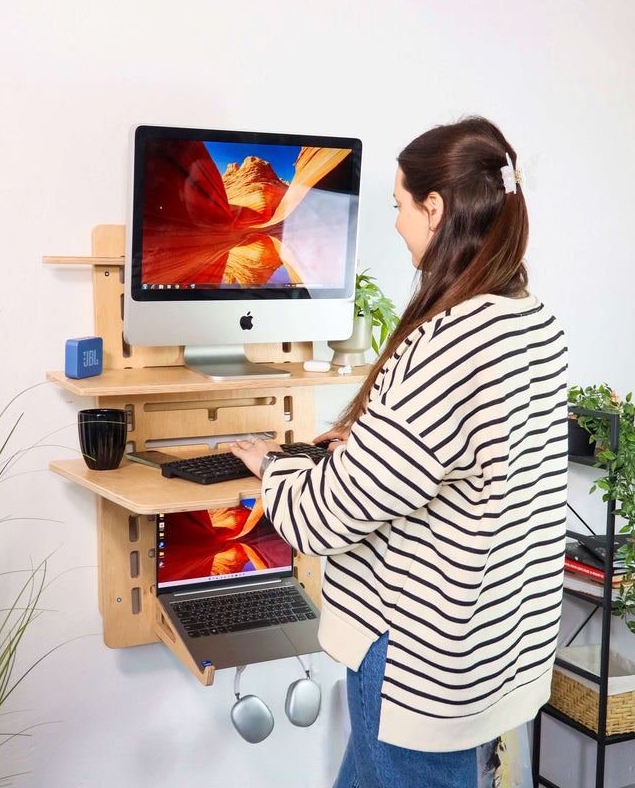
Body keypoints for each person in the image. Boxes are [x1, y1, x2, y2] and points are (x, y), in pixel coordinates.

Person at [231, 116, 567, 787]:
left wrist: (276, 465)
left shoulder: (449, 343)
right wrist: (371, 443)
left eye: (398, 205)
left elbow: (323, 519)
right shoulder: (533, 323)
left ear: (434, 208)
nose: (394, 223)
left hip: (417, 673)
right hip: (490, 651)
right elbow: (479, 458)